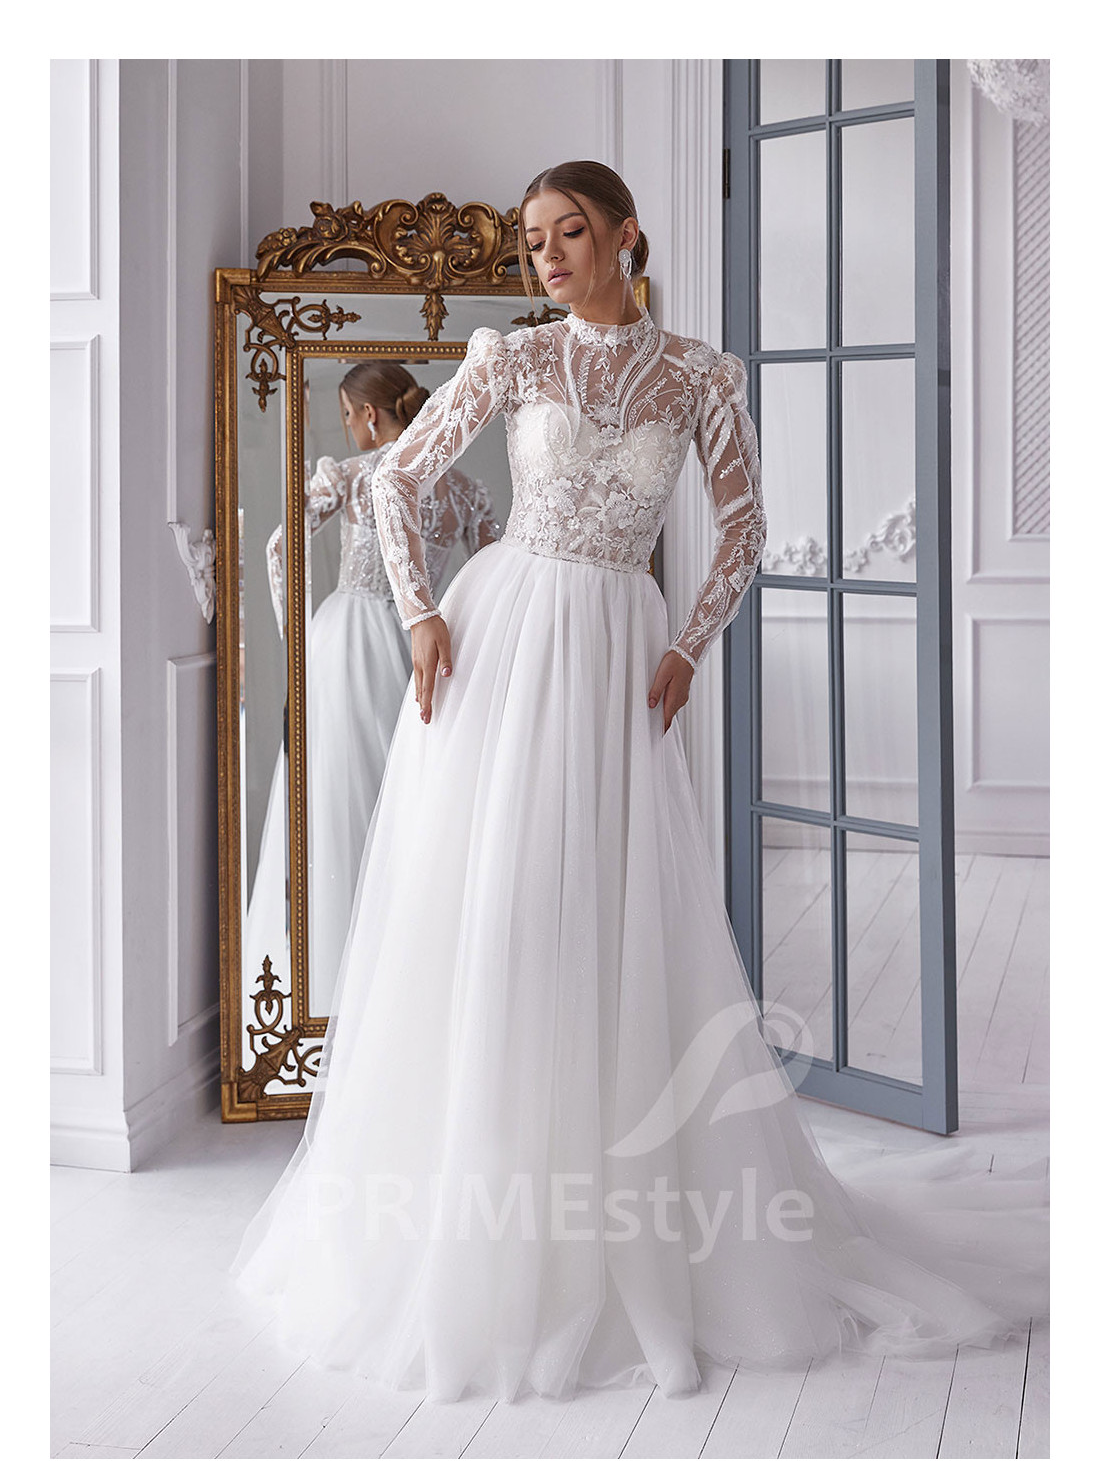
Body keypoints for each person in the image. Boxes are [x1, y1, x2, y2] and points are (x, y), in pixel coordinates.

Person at [229, 161, 1047, 1404]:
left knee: (611, 911)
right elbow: (395, 480)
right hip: (504, 641)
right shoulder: (511, 358)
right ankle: (484, 1209)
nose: (547, 256)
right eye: (532, 240)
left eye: (569, 232)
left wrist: (686, 645)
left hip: (619, 648)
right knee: (497, 905)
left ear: (625, 236)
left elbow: (744, 527)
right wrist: (419, 615)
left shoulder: (700, 377)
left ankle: (622, 1201)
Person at [242, 360, 501, 1022]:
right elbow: (494, 574)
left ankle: (328, 988)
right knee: (411, 804)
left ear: (369, 415)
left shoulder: (355, 475)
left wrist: (297, 640)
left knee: (334, 798)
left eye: (346, 414)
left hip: (348, 644)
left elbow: (278, 547)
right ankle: (409, 997)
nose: (345, 426)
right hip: (423, 656)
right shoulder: (461, 488)